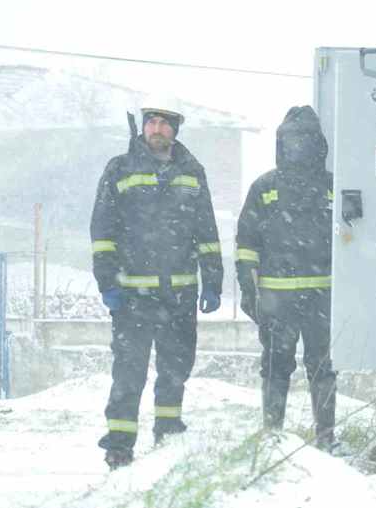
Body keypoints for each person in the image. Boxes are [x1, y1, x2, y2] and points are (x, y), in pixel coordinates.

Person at [90, 91, 224, 470]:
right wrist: (107, 281)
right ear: (142, 125)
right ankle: (119, 446)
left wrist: (213, 280)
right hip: (132, 295)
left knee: (176, 368)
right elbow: (102, 230)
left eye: (165, 122)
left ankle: (168, 430)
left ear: (175, 128)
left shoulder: (192, 172)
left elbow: (207, 231)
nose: (157, 128)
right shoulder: (120, 169)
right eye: (151, 121)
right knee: (129, 370)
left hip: (180, 294)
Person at [234, 105, 338, 452]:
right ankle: (272, 439)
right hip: (277, 303)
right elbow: (247, 243)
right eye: (291, 139)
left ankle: (327, 440)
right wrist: (248, 290)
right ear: (281, 142)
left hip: (323, 300)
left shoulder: (332, 188)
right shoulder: (264, 187)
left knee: (322, 369)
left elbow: (352, 240)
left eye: (305, 139)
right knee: (276, 368)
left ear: (317, 143)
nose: (298, 146)